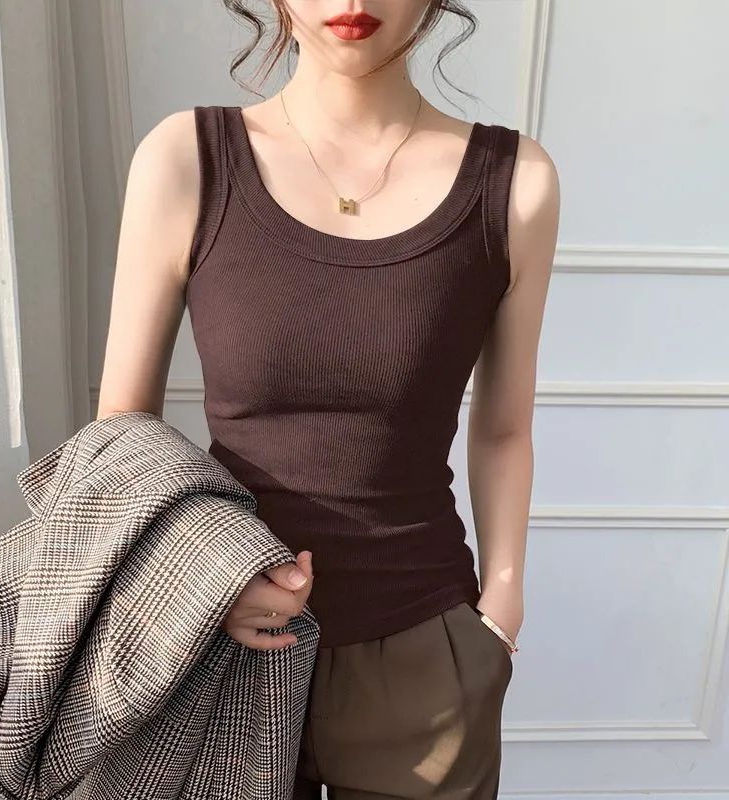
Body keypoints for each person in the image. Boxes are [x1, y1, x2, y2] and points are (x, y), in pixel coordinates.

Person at [95, 2, 559, 797]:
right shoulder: (186, 159)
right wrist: (209, 579)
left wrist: (502, 607)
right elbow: (123, 429)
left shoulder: (514, 182)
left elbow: (505, 428)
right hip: (217, 647)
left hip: (423, 649)